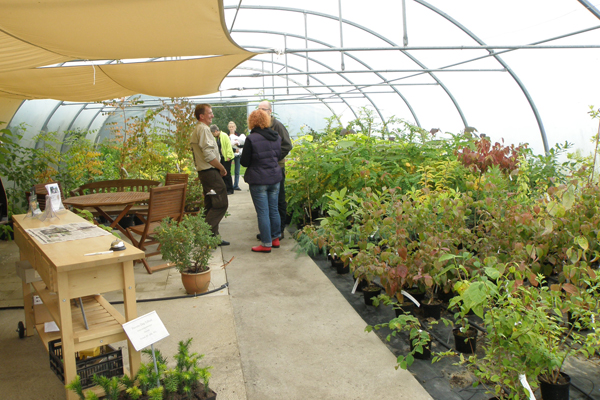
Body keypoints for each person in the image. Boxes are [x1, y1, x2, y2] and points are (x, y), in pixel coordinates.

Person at [241, 109, 283, 253]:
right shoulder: (276, 137)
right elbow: (278, 155)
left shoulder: (251, 139)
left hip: (259, 179)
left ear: (252, 122)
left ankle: (266, 244)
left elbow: (244, 162)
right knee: (274, 209)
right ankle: (275, 238)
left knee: (263, 212)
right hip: (275, 177)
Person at [189, 104, 229, 246]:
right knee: (221, 203)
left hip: (204, 172)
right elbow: (208, 155)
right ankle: (204, 236)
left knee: (211, 203)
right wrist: (221, 167)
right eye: (210, 113)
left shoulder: (197, 129)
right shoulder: (204, 129)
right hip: (209, 172)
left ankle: (212, 238)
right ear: (202, 116)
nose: (212, 115)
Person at [257, 100, 292, 239]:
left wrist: (274, 157)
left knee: (278, 199)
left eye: (263, 109)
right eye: (258, 109)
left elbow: (287, 145)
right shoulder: (260, 126)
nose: (260, 111)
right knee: (267, 201)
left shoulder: (276, 125)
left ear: (270, 111)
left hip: (277, 168)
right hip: (264, 169)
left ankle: (279, 230)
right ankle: (269, 231)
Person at [210, 124, 235, 195]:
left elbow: (228, 146)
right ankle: (225, 188)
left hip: (226, 157)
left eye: (213, 133)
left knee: (227, 173)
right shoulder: (217, 138)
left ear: (215, 131)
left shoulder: (224, 136)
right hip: (221, 157)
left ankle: (230, 189)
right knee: (222, 173)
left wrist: (229, 156)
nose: (213, 135)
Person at [228, 121, 246, 191]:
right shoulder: (227, 136)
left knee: (237, 170)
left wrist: (238, 146)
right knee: (228, 170)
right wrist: (234, 150)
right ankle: (230, 185)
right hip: (230, 154)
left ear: (235, 127)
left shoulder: (239, 136)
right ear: (228, 128)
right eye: (230, 127)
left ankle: (236, 185)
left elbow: (243, 144)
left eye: (232, 127)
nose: (231, 128)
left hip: (238, 154)